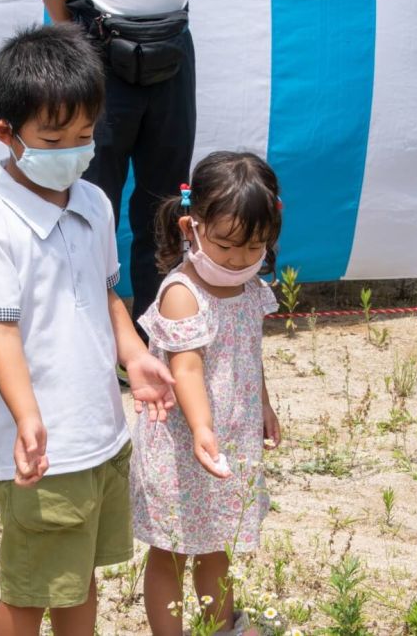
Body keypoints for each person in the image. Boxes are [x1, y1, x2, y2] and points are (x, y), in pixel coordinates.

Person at [0, 23, 176, 636]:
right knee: (30, 590)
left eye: (85, 136)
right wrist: (27, 417)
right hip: (43, 448)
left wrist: (133, 356)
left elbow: (105, 292)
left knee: (78, 577)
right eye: (53, 138)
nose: (74, 150)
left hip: (99, 433)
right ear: (7, 134)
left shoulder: (93, 202)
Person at [131, 152, 282, 635]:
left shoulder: (249, 287)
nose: (238, 258)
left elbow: (248, 352)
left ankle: (222, 627)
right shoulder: (182, 292)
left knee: (218, 542)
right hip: (182, 447)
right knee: (171, 551)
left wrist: (262, 403)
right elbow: (189, 368)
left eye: (254, 246)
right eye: (225, 245)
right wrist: (200, 428)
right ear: (190, 227)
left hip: (225, 441)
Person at [32, 0, 197, 335]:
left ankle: (155, 340)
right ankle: (87, 337)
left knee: (167, 203)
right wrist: (73, 38)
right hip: (96, 43)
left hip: (171, 42)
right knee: (86, 200)